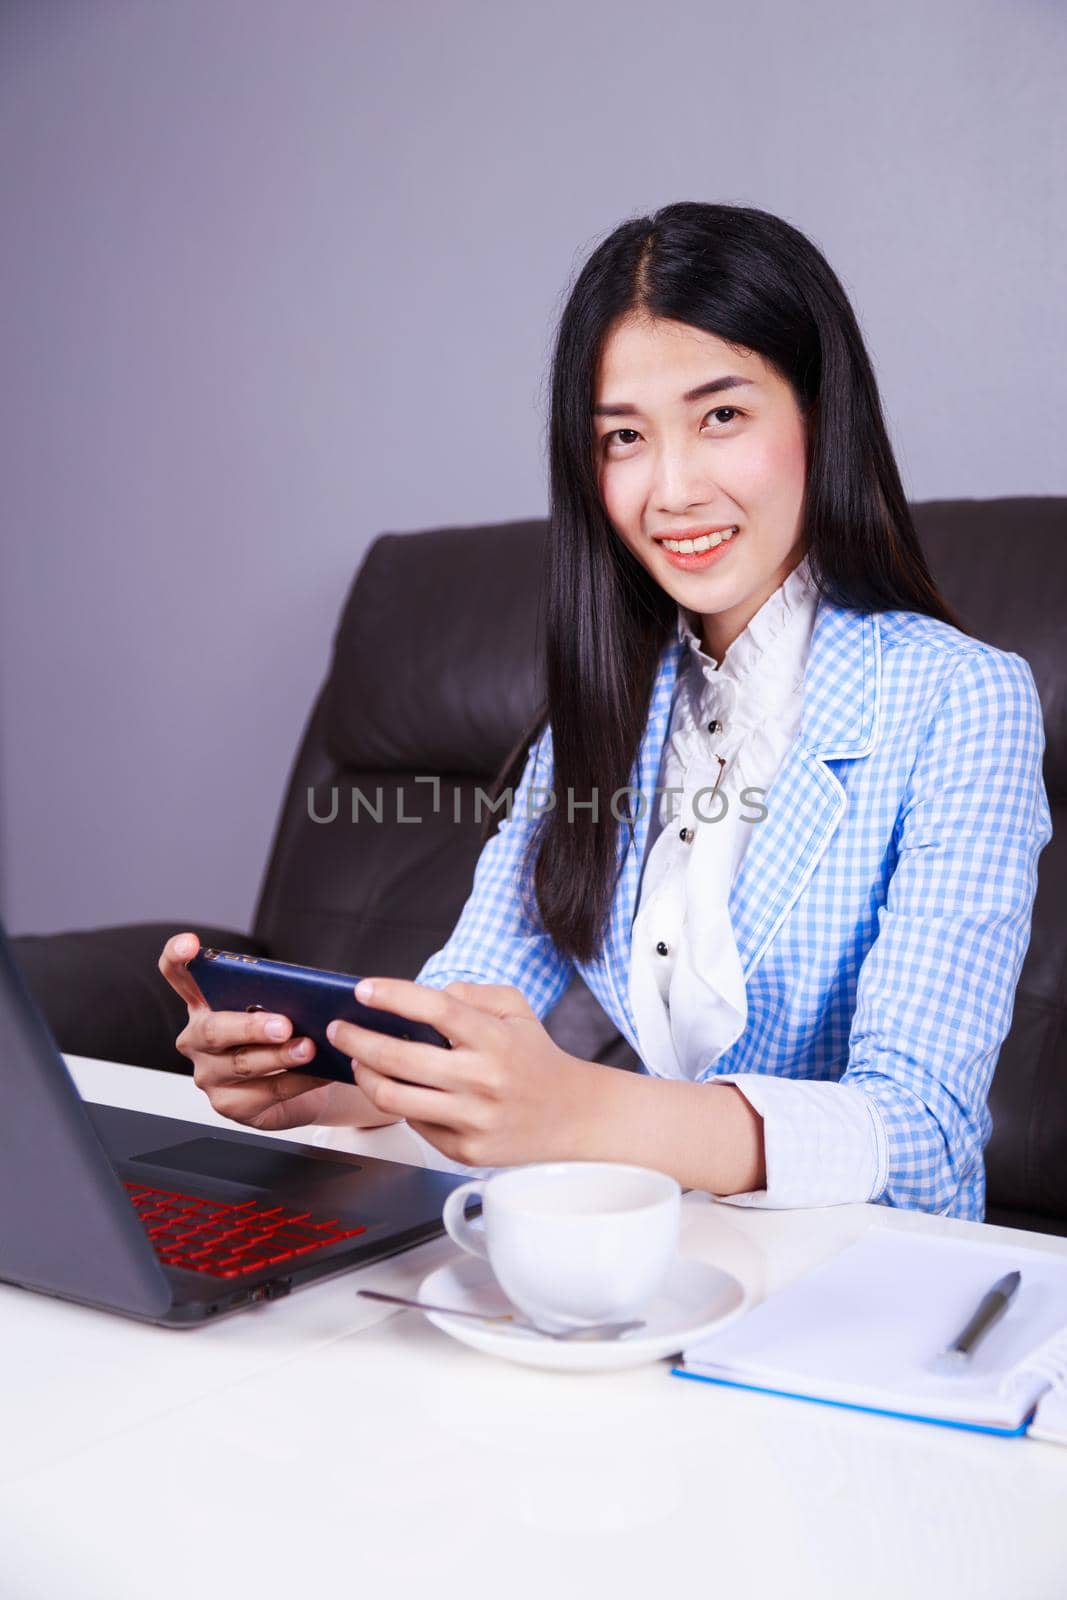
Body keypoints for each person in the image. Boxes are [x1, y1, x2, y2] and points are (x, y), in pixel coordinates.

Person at [159, 202, 1052, 1220]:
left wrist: (581, 1110)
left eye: (720, 415)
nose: (668, 490)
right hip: (652, 1263)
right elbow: (470, 1003)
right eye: (623, 437)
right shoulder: (604, 708)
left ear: (818, 414)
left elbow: (921, 1136)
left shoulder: (962, 699)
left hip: (866, 1299)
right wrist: (316, 1075)